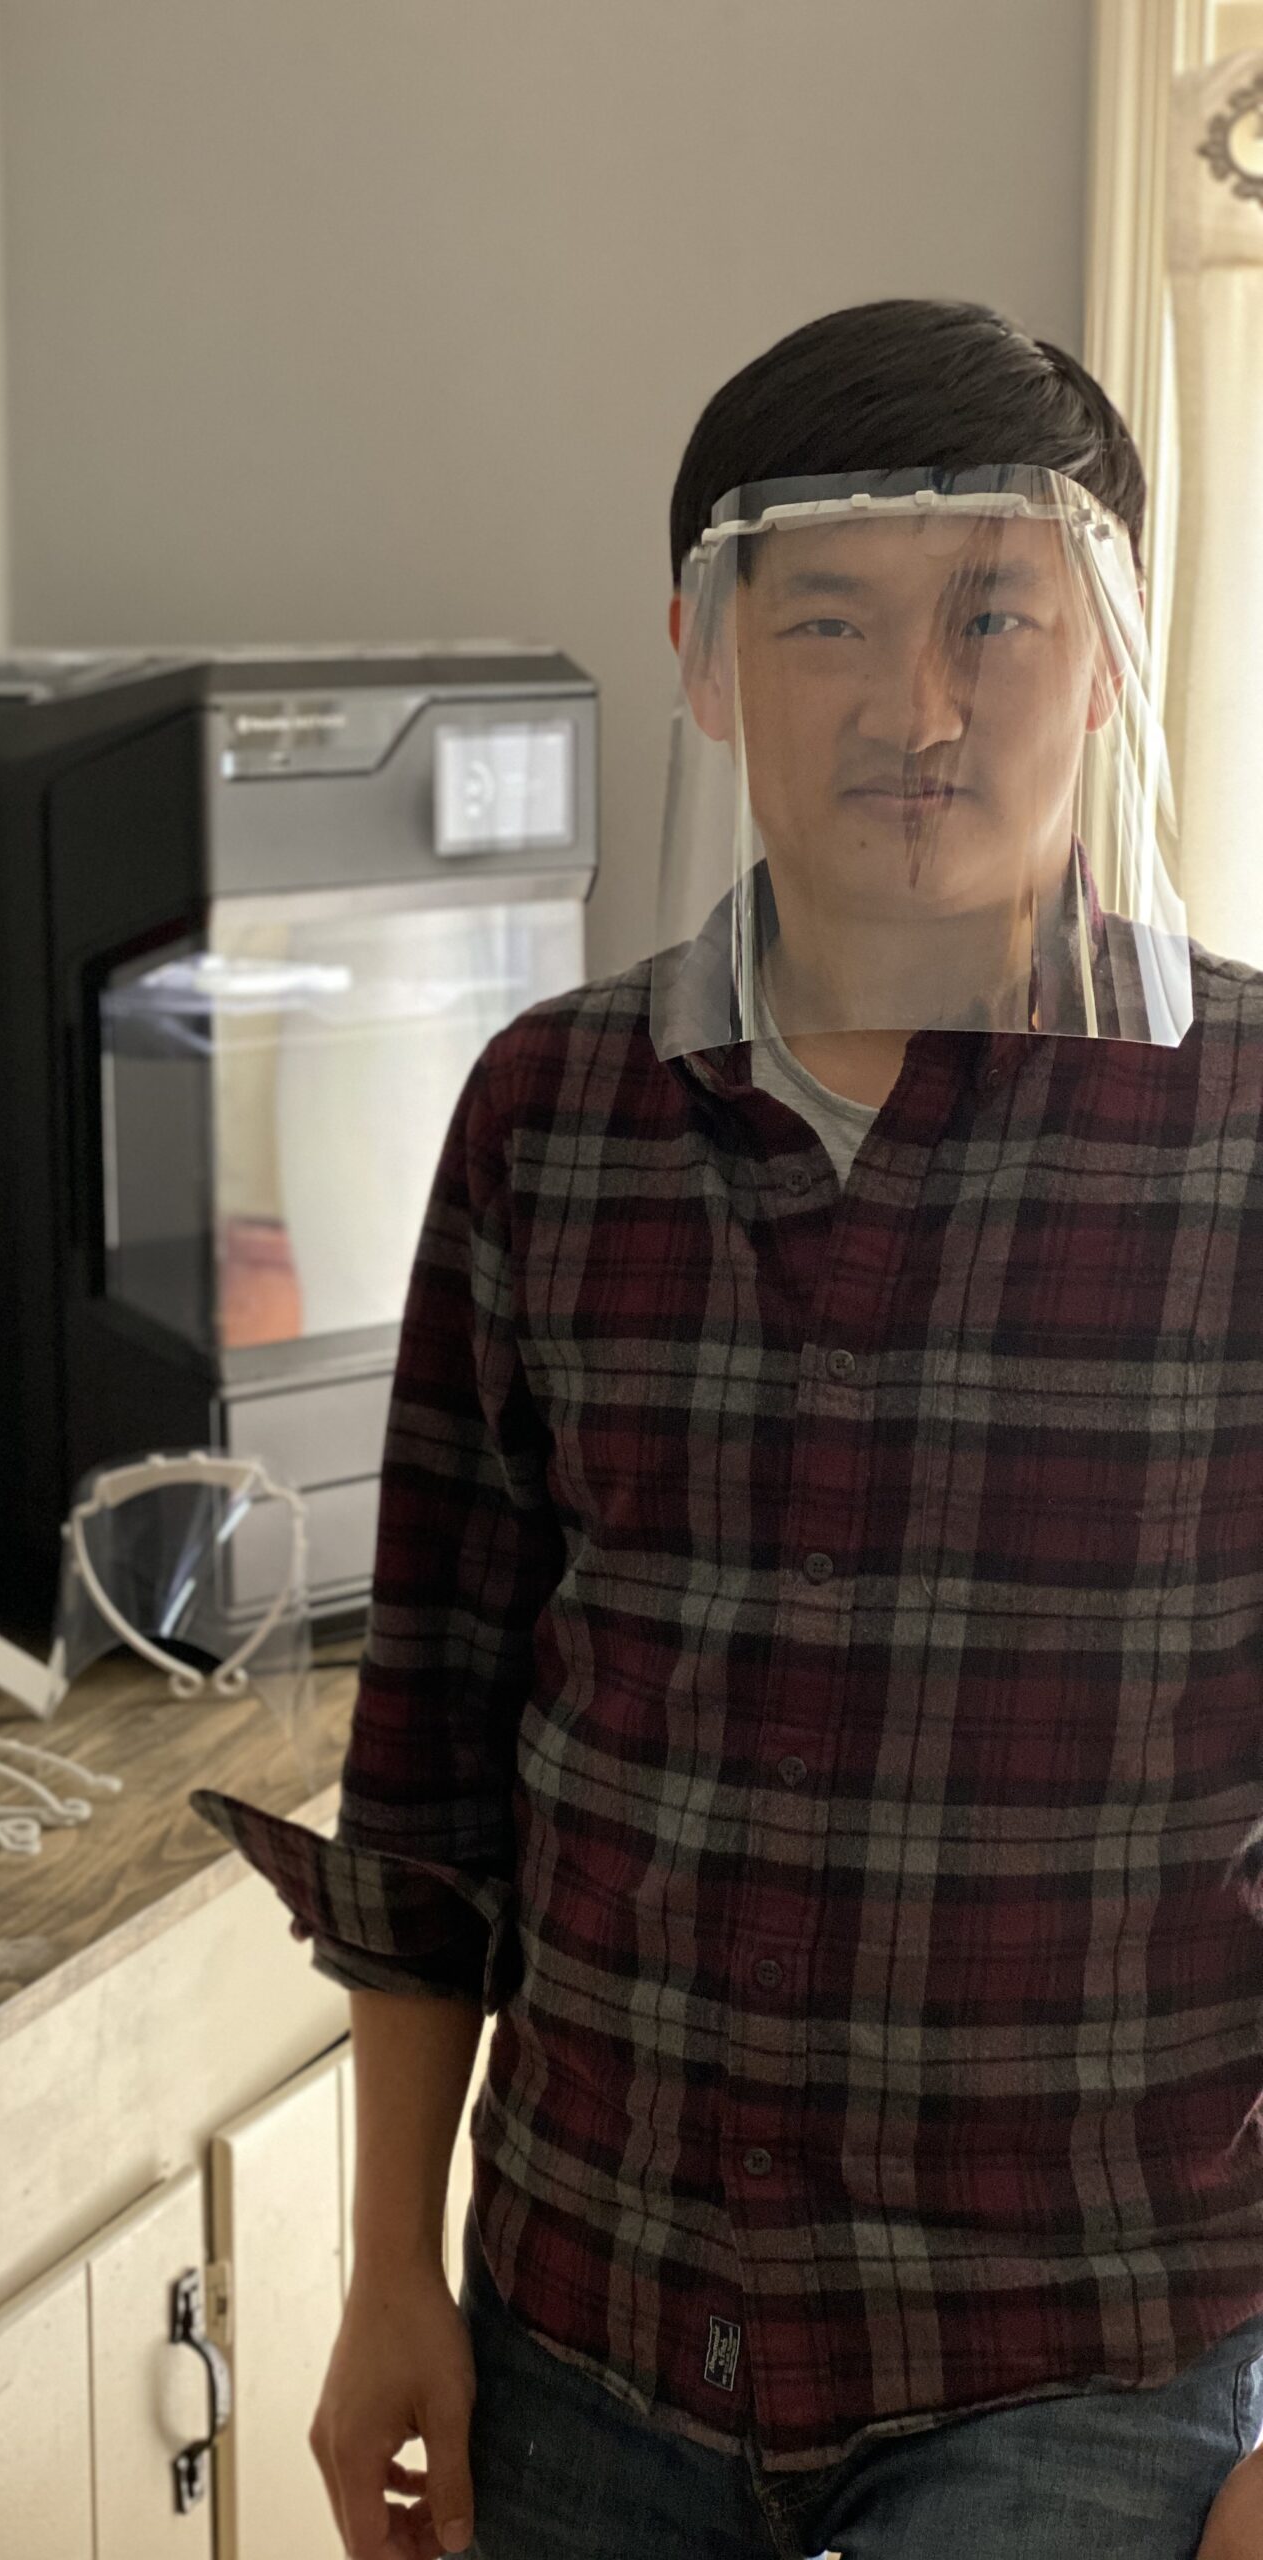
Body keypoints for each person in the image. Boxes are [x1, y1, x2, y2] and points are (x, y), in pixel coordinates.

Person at [194, 299, 1263, 2560]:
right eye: (829, 623)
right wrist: (389, 2265)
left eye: (995, 614)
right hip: (590, 2324)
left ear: (1110, 653)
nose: (915, 704)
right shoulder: (554, 1114)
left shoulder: (1244, 1136)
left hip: (1092, 2362)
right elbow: (436, 1752)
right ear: (705, 660)